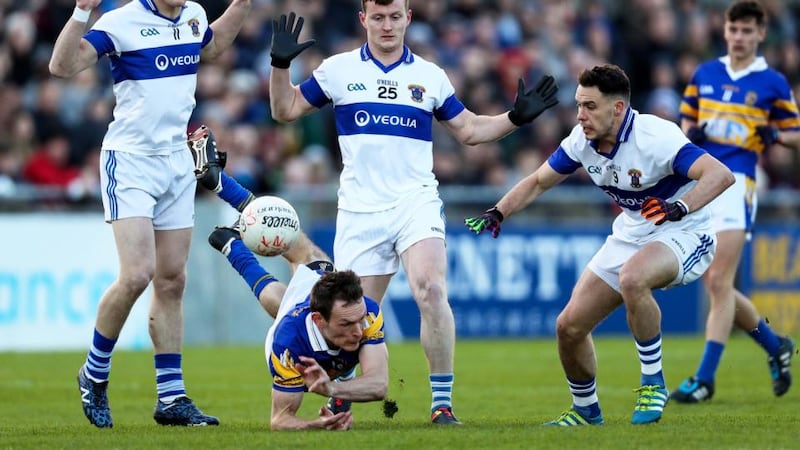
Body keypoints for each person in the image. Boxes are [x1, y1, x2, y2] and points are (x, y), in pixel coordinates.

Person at [267, 0, 559, 425]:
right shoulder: (338, 70)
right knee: (355, 313)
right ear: (363, 19)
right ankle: (343, 392)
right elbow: (284, 110)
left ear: (409, 18)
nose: (387, 26)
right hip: (360, 210)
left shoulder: (429, 76)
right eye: (379, 18)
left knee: (431, 289)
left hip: (415, 201)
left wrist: (515, 117)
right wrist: (279, 65)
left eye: (395, 17)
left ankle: (442, 403)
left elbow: (471, 130)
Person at [465, 64, 735, 425]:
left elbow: (720, 174)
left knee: (633, 277)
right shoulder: (581, 141)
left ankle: (653, 383)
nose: (581, 115)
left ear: (618, 109)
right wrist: (499, 212)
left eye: (590, 106)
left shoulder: (655, 137)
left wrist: (679, 206)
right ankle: (586, 411)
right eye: (579, 105)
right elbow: (538, 182)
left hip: (684, 230)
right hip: (631, 231)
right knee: (569, 327)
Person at [48, 0, 252, 427]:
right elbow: (62, 66)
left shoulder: (193, 15)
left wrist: (242, 5)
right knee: (138, 273)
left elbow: (211, 46)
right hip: (131, 161)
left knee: (173, 279)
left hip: (177, 159)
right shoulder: (121, 22)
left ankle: (171, 398)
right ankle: (94, 373)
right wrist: (82, 11)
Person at [193, 124, 388, 431]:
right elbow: (279, 420)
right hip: (293, 326)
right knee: (301, 269)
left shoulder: (365, 314)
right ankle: (230, 226)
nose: (358, 330)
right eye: (347, 324)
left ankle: (227, 217)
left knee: (299, 273)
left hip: (315, 331)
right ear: (319, 320)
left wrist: (332, 390)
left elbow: (379, 384)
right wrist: (314, 425)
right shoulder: (288, 342)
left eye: (358, 319)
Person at [672, 0, 798, 404]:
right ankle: (776, 344)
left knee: (718, 282)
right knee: (718, 284)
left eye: (747, 31)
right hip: (702, 181)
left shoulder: (773, 82)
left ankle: (704, 379)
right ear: (724, 31)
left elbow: (795, 133)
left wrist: (773, 135)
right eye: (734, 29)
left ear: (761, 34)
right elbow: (685, 123)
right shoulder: (704, 73)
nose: (739, 37)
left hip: (738, 182)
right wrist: (696, 130)